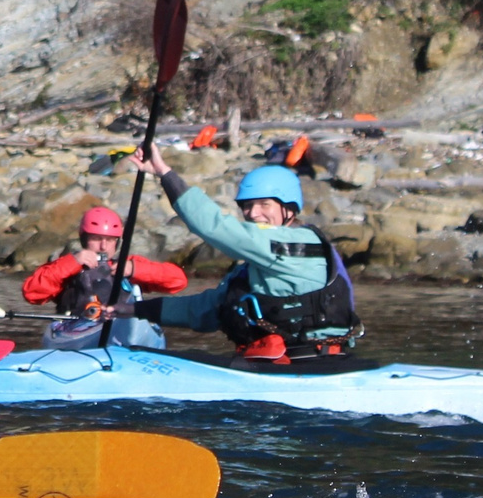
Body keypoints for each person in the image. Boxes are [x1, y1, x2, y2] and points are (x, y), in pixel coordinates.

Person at [119, 148, 359, 361]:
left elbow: (216, 227)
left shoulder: (299, 242)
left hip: (313, 364)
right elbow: (205, 310)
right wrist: (134, 310)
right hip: (270, 366)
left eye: (265, 204)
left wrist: (164, 173)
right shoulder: (255, 265)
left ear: (289, 209)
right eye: (247, 205)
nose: (253, 214)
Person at [19, 203, 187, 347]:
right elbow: (32, 292)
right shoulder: (66, 266)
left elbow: (178, 281)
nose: (103, 246)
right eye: (96, 238)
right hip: (80, 327)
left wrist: (135, 269)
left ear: (118, 242)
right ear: (84, 239)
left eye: (110, 240)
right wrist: (72, 263)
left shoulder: (127, 265)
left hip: (125, 323)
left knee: (135, 314)